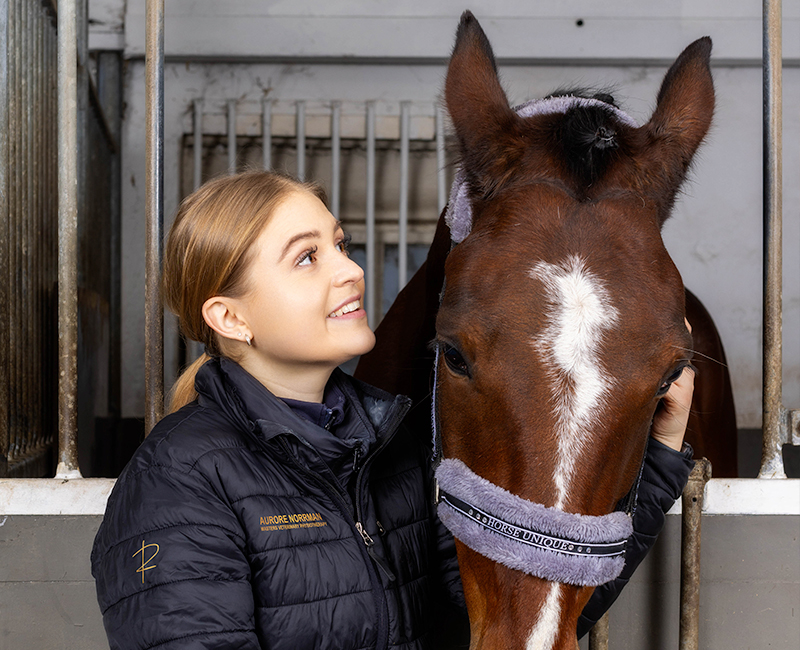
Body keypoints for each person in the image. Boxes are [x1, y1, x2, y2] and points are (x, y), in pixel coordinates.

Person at [91, 170, 695, 649]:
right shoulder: (177, 482)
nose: (350, 271)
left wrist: (662, 456)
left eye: (339, 245)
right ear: (230, 317)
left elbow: (516, 613)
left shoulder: (394, 444)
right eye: (307, 258)